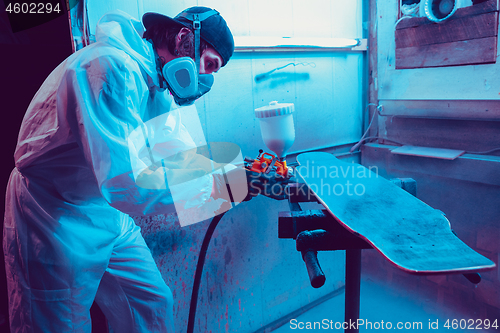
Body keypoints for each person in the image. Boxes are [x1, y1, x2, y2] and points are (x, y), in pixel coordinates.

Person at [2, 6, 271, 332]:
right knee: (59, 324)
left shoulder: (157, 83)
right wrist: (227, 186)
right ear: (184, 38)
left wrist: (239, 171)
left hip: (105, 211)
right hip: (51, 214)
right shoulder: (107, 70)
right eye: (209, 64)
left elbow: (179, 157)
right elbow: (127, 184)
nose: (205, 78)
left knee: (152, 303)